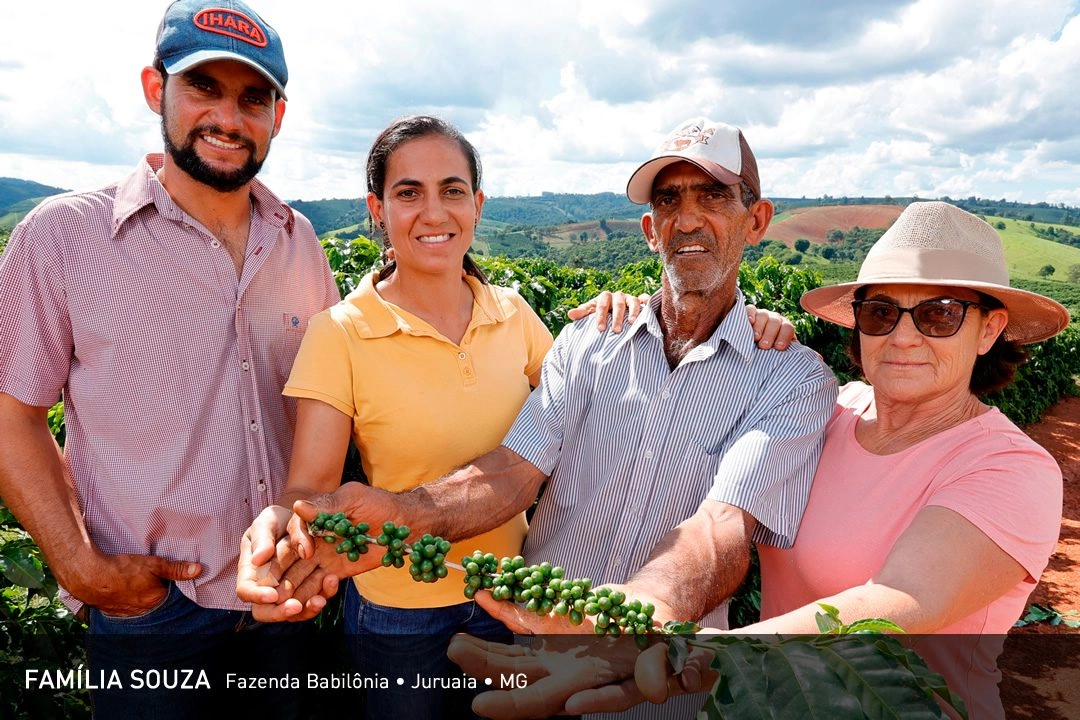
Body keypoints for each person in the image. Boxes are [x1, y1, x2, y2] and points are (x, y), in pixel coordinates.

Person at [243, 116, 837, 718]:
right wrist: (403, 513)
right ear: (649, 230)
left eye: (713, 196)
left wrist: (635, 614)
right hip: (521, 645)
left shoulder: (790, 377)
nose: (687, 218)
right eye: (668, 200)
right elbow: (515, 469)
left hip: (655, 681)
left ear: (757, 220)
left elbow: (722, 528)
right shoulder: (588, 342)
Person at [451, 201, 1071, 720]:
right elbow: (725, 502)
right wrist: (697, 318)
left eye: (939, 315)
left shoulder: (1009, 469)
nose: (902, 336)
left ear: (989, 330)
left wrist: (687, 652)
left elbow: (901, 602)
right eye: (881, 312)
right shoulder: (830, 411)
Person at [0, 1, 339, 716]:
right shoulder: (62, 237)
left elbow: (333, 398)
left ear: (278, 115)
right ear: (157, 92)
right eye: (203, 89)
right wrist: (82, 567)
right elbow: (13, 418)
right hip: (153, 615)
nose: (229, 116)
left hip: (286, 604)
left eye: (253, 98)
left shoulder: (299, 239)